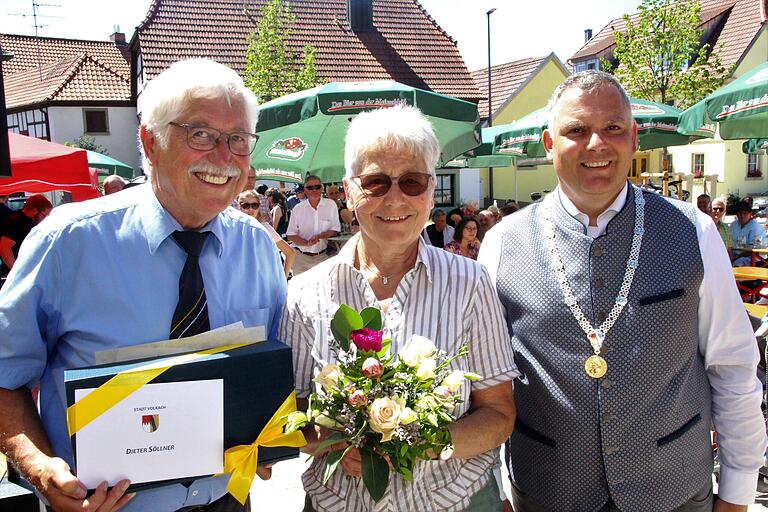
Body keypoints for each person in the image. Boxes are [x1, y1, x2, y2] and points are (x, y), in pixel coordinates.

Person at [0, 58, 284, 512]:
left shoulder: (259, 250)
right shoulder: (68, 243)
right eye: (201, 135)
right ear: (150, 142)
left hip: (229, 500)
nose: (224, 157)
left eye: (238, 140)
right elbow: (4, 376)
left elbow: (263, 370)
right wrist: (39, 466)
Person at [479, 70, 765, 512]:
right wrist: (498, 487)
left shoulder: (694, 231)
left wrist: (738, 490)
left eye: (612, 128)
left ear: (633, 138)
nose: (597, 143)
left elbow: (733, 367)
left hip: (673, 492)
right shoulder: (502, 243)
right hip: (546, 492)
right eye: (577, 130)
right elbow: (489, 382)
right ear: (549, 144)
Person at [280, 104, 517, 512]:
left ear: (429, 191)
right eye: (374, 183)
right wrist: (330, 443)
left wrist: (429, 443)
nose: (394, 199)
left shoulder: (470, 283)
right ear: (350, 190)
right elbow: (292, 416)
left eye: (411, 182)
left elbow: (498, 414)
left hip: (453, 502)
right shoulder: (305, 294)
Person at [285, 175, 340, 275]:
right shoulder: (298, 209)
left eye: (317, 187)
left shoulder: (331, 205)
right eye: (310, 188)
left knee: (324, 290)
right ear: (305, 190)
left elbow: (335, 229)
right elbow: (291, 234)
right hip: (301, 258)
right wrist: (306, 243)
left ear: (322, 188)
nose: (314, 190)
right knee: (301, 290)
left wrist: (319, 236)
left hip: (322, 257)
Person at [238, 190, 295, 278]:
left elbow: (290, 253)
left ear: (259, 207)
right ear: (239, 207)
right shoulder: (233, 229)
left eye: (254, 205)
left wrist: (283, 279)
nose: (250, 209)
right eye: (245, 206)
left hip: (264, 280)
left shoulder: (265, 228)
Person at [0, 194, 52, 271]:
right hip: (13, 275)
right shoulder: (16, 222)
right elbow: (4, 248)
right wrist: (16, 272)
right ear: (35, 211)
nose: (45, 219)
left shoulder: (29, 222)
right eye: (44, 215)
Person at [730, 200, 764, 266]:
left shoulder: (756, 227)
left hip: (751, 258)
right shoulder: (733, 225)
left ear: (750, 214)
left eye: (745, 213)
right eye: (740, 213)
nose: (742, 216)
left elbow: (754, 250)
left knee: (737, 263)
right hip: (733, 255)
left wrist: (736, 258)